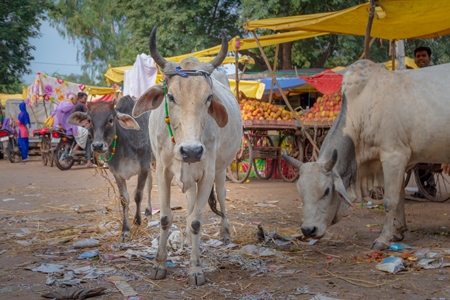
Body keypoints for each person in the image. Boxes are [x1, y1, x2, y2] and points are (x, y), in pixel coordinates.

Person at [413, 46, 436, 198]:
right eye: (418, 56)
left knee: (425, 156)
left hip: (432, 119)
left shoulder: (434, 75)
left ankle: (430, 187)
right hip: (417, 120)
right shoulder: (413, 76)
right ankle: (425, 189)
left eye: (423, 56)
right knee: (416, 156)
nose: (420, 58)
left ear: (429, 58)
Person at [53, 93, 95, 168]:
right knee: (85, 133)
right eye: (76, 99)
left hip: (60, 125)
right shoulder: (71, 105)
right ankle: (77, 151)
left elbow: (54, 112)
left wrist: (56, 122)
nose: (77, 100)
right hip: (67, 125)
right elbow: (59, 110)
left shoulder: (62, 103)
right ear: (72, 99)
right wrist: (59, 123)